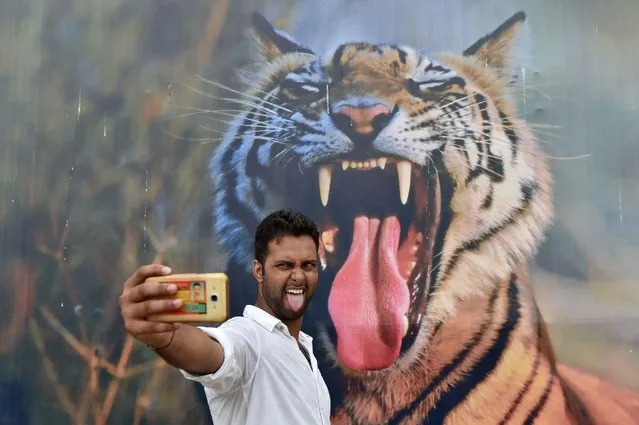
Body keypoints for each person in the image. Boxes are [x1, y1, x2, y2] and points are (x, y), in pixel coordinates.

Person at [119, 209, 331, 425]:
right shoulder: (249, 338)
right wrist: (168, 338)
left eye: (308, 265)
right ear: (258, 271)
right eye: (284, 265)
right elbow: (215, 353)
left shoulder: (306, 351)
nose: (298, 276)